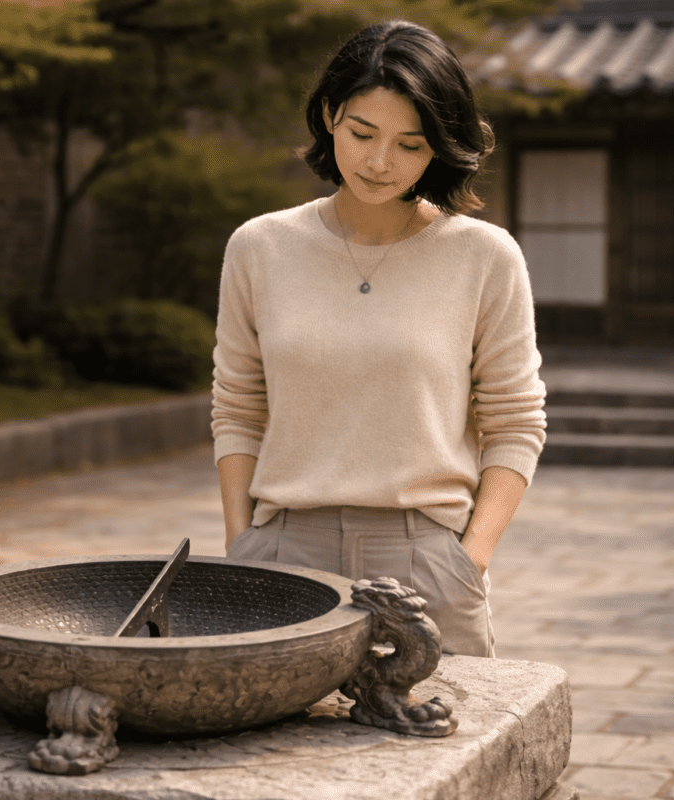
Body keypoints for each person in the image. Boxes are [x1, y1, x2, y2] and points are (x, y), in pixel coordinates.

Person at [211, 19, 546, 657]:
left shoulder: (484, 256)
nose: (378, 161)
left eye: (410, 144)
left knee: (441, 748)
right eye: (363, 133)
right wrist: (241, 543)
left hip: (426, 564)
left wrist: (468, 560)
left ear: (440, 148)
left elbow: (515, 421)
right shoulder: (259, 246)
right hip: (283, 557)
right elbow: (238, 406)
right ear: (331, 115)